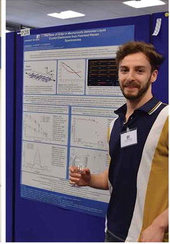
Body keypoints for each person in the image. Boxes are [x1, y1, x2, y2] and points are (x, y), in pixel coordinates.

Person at [69, 41, 168, 242]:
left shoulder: (166, 118)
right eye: (124, 70)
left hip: (149, 236)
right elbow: (114, 177)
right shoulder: (116, 124)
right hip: (113, 232)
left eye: (139, 70)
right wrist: (89, 180)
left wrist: (160, 224)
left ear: (153, 75)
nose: (130, 77)